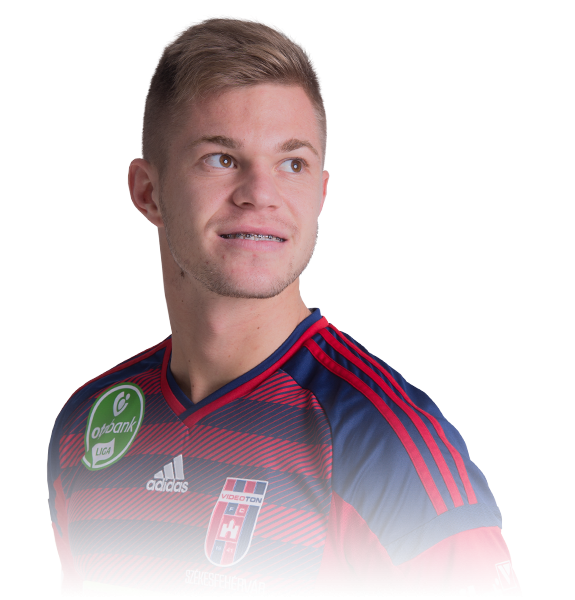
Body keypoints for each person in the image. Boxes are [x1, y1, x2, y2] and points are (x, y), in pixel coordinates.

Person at [48, 16, 522, 598]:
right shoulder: (89, 425)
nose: (261, 193)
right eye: (221, 158)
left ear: (320, 193)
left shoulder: (384, 444)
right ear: (148, 192)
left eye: (292, 163)